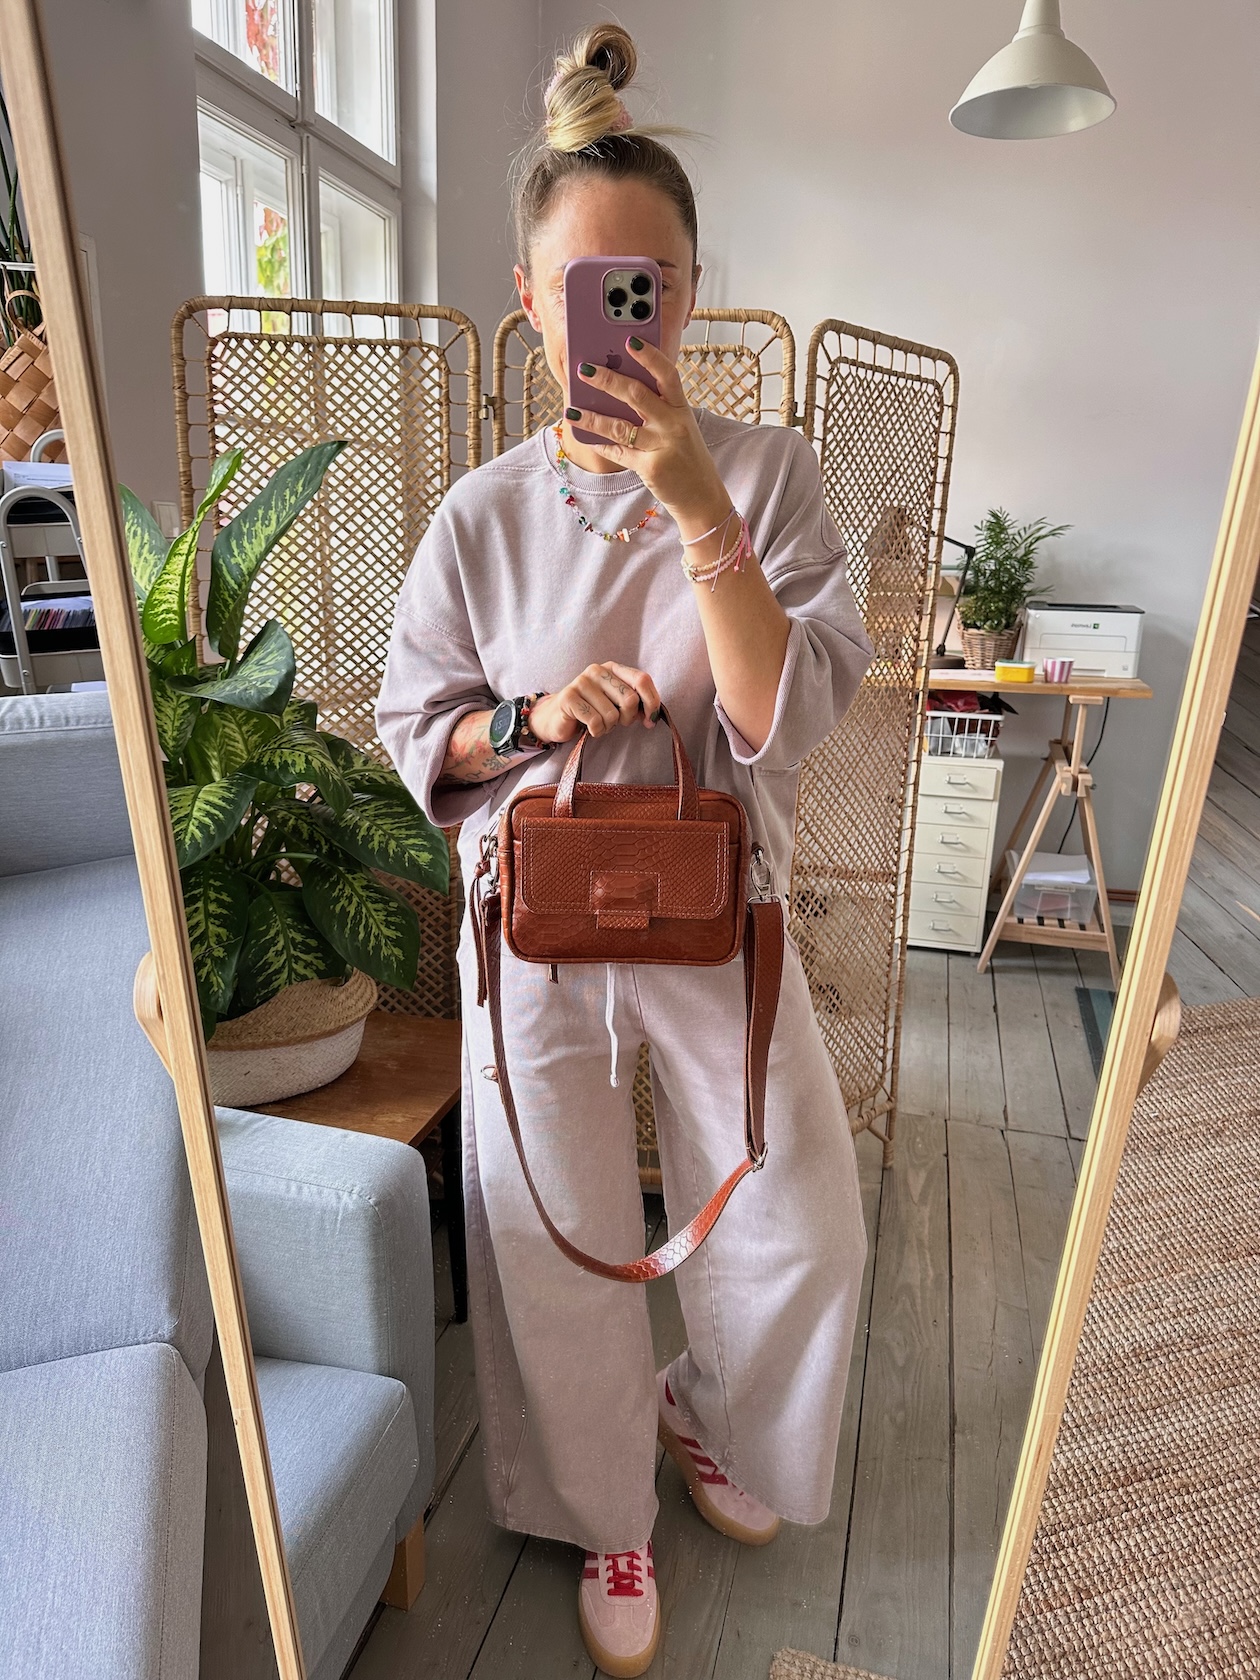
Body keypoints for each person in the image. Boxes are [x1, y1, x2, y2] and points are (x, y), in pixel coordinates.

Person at [377, 24, 874, 1678]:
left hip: (720, 908)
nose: (624, 324)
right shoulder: (479, 514)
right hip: (535, 924)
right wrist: (526, 719)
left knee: (800, 1219)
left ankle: (704, 1406)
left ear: (693, 290)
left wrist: (695, 503)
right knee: (550, 1229)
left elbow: (781, 709)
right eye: (591, 292)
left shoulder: (770, 477)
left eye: (648, 290)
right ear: (532, 303)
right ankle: (607, 1514)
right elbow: (417, 729)